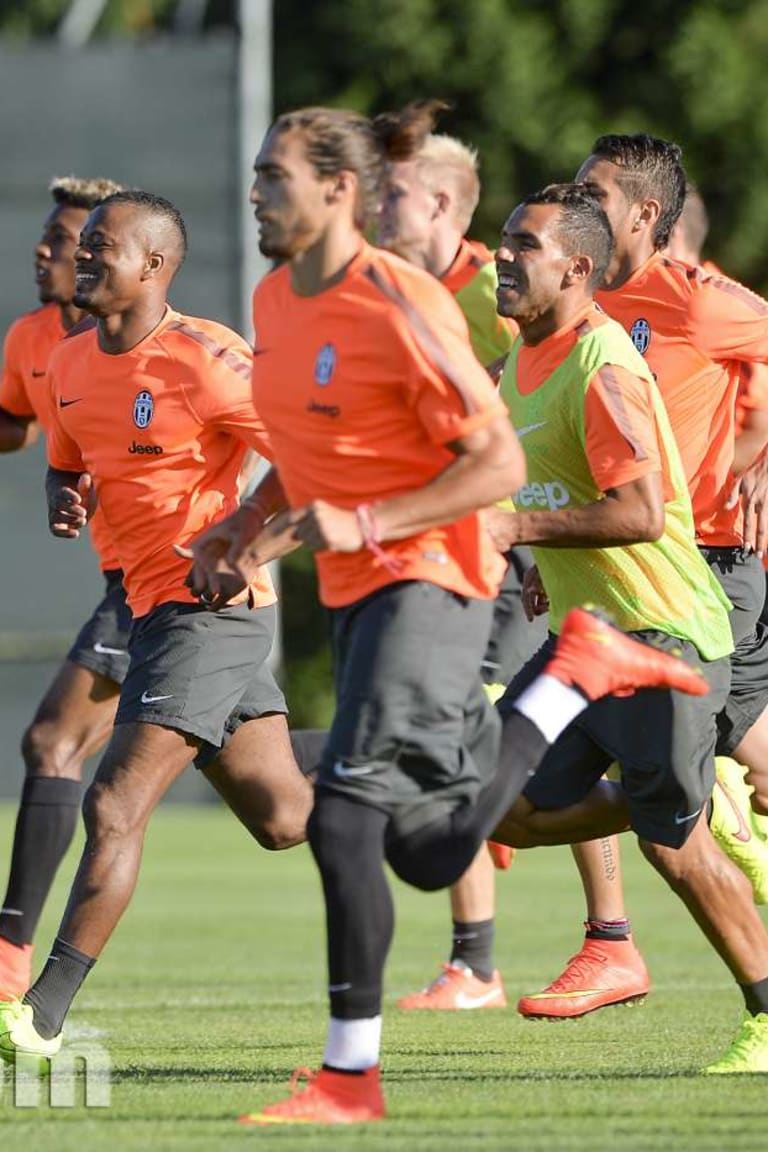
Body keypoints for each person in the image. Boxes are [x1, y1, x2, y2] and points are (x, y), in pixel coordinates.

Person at [179, 105, 710, 1126]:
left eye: (272, 176)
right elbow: (301, 447)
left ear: (339, 191)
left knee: (339, 815)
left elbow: (499, 465)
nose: (254, 193)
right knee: (426, 851)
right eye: (255, 174)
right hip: (361, 586)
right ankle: (574, 676)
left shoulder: (400, 303)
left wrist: (366, 519)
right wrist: (244, 522)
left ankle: (349, 1079)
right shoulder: (277, 301)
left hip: (437, 575)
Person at [0, 189, 314, 1062]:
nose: (84, 258)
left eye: (102, 247)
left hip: (210, 615)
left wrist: (242, 537)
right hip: (148, 612)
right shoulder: (65, 363)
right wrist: (65, 495)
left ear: (154, 266)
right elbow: (65, 462)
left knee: (114, 800)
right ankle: (408, 761)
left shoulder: (208, 358)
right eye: (84, 246)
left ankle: (37, 1016)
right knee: (283, 816)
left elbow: (311, 458)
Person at [488, 181, 768, 1076]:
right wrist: (530, 563)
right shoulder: (518, 363)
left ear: (576, 267)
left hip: (659, 639)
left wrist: (519, 532)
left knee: (672, 852)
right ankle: (688, 793)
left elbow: (640, 511)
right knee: (500, 805)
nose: (501, 255)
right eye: (502, 240)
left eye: (522, 246)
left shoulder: (600, 362)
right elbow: (524, 488)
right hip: (581, 643)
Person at [377, 115, 547, 1010]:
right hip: (457, 550)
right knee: (474, 740)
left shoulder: (497, 289)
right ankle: (479, 957)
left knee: (490, 738)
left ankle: (491, 959)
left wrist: (534, 536)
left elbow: (555, 406)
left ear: (440, 202)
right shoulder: (396, 290)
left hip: (514, 553)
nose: (373, 205)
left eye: (392, 192)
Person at [0, 175, 128, 1000]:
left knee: (53, 742)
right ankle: (421, 764)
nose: (44, 249)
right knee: (277, 804)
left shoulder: (163, 343)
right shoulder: (34, 338)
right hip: (128, 572)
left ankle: (9, 957)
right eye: (45, 236)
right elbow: (13, 422)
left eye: (63, 238)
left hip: (180, 580)